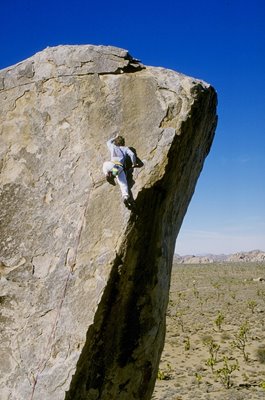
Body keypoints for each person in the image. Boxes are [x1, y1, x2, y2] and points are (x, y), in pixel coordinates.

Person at [103, 135, 138, 207]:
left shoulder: (112, 146)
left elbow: (108, 142)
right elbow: (132, 154)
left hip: (113, 165)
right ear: (123, 143)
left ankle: (107, 174)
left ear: (116, 142)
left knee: (105, 165)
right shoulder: (125, 149)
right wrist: (134, 164)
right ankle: (125, 197)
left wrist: (115, 138)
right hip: (120, 168)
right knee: (123, 184)